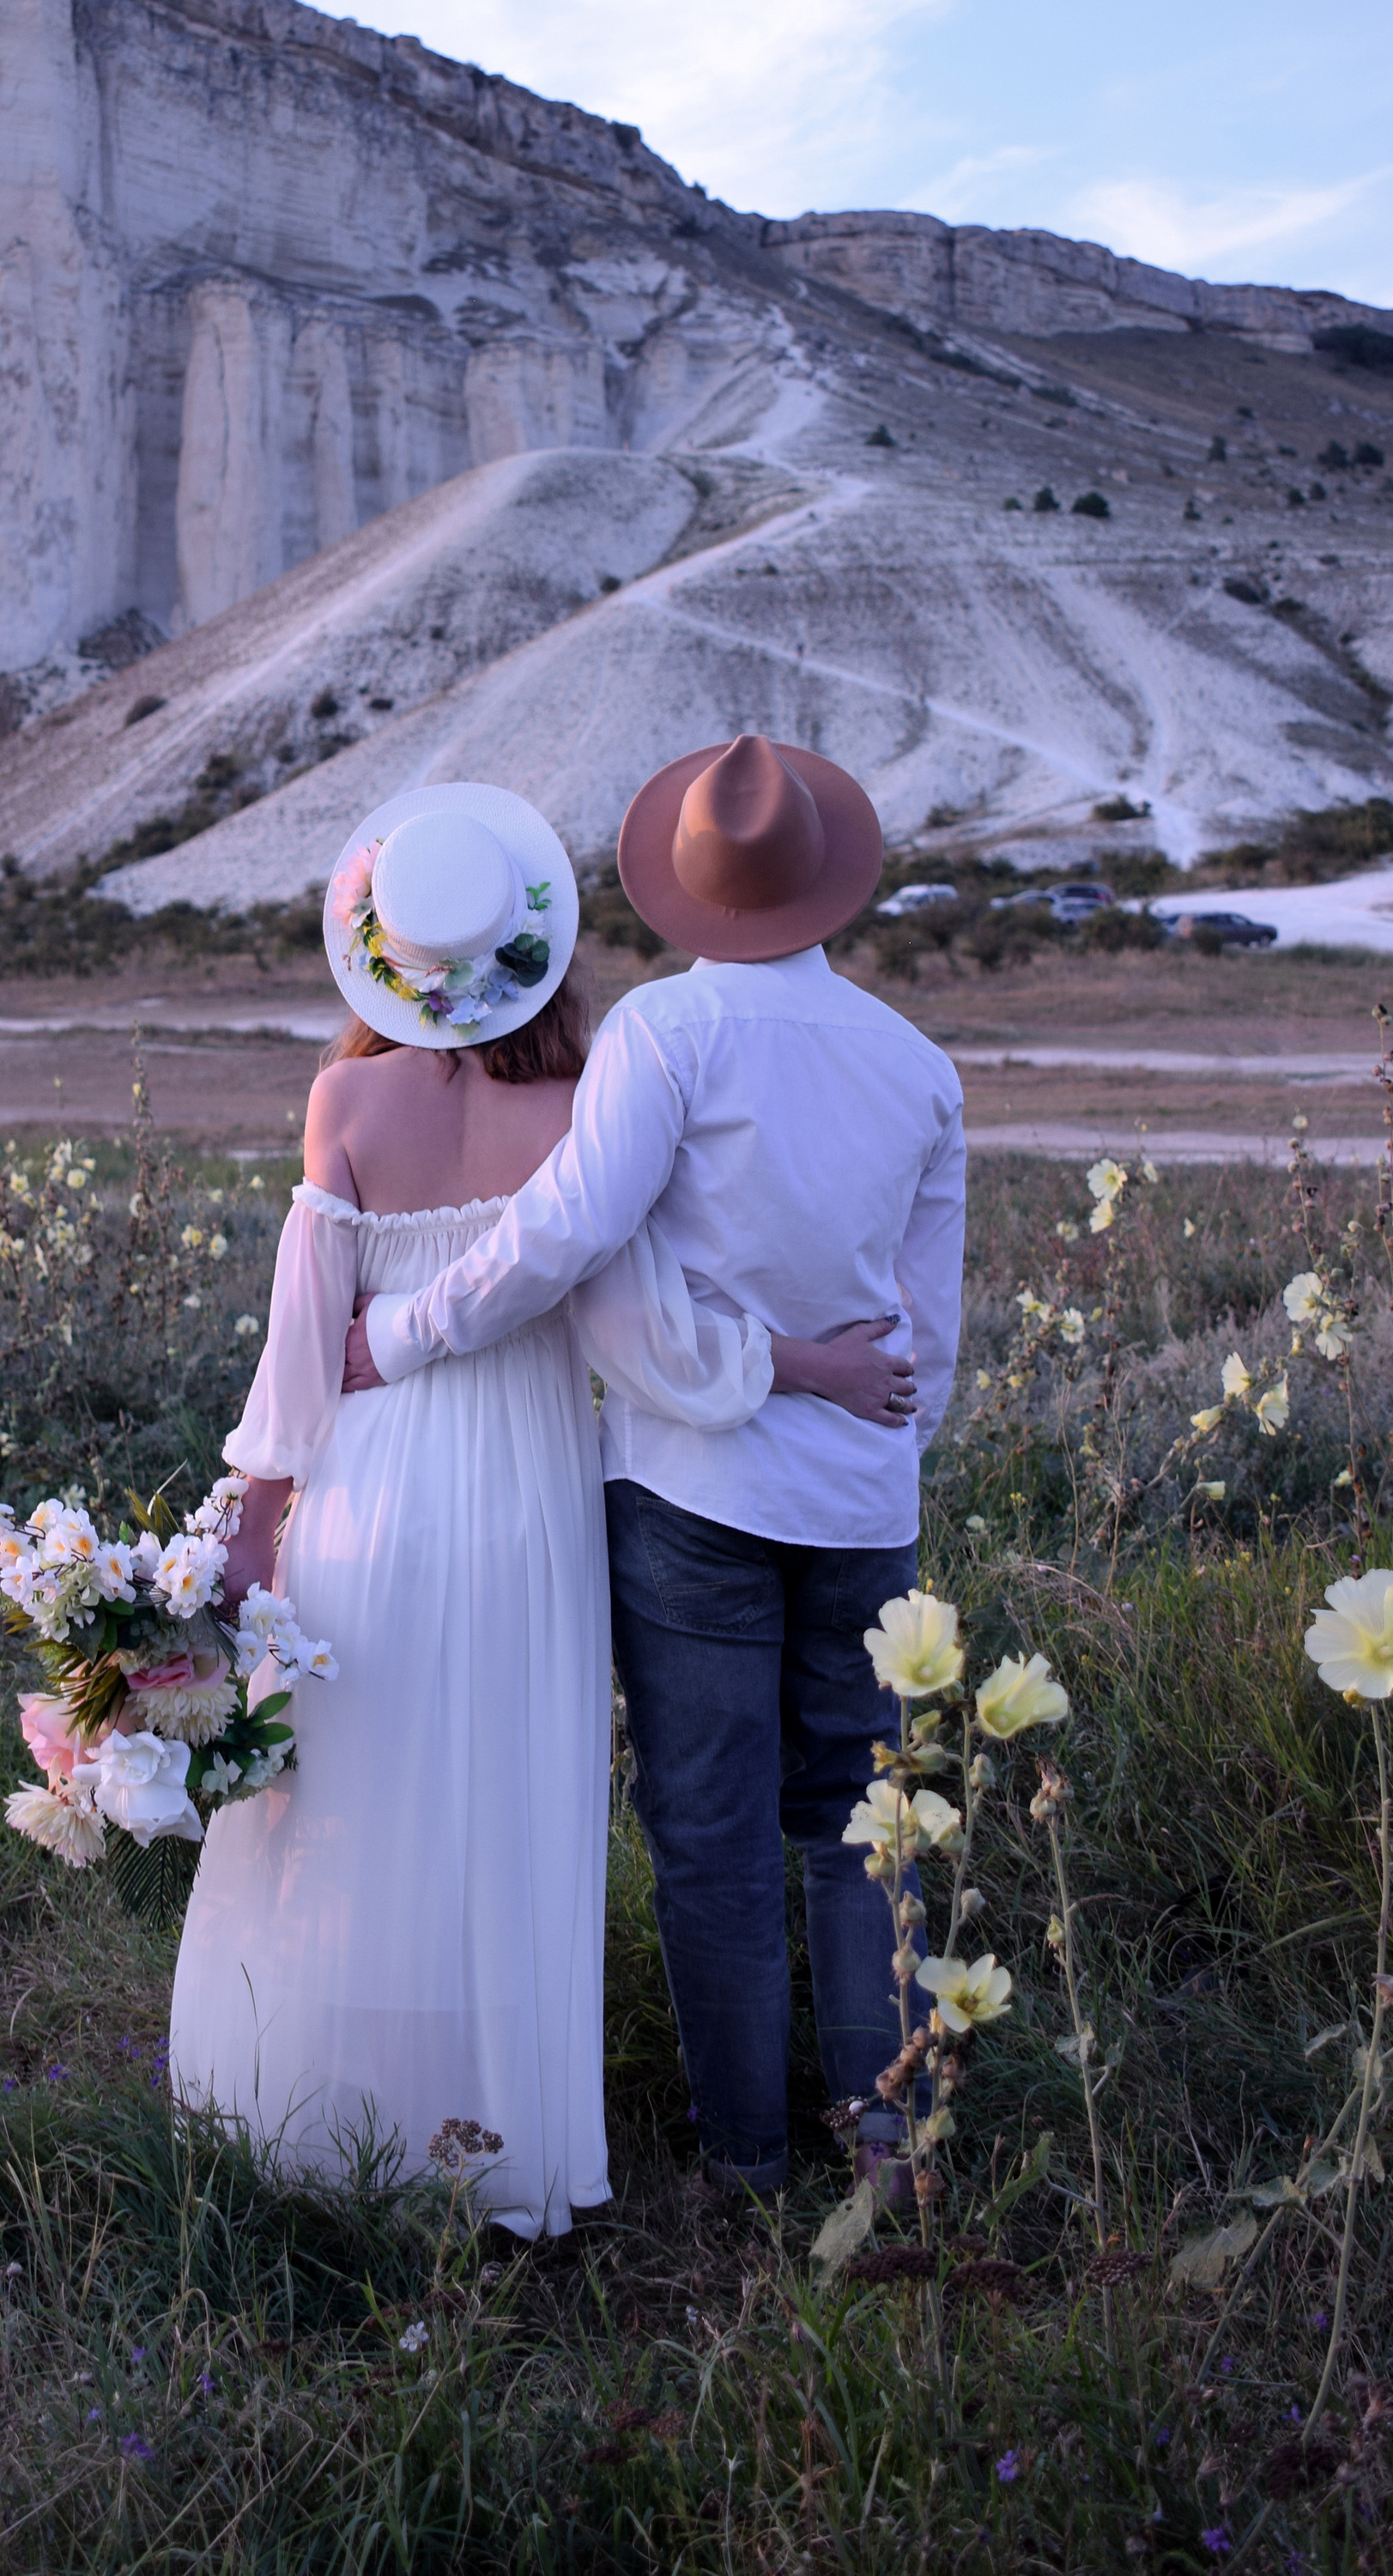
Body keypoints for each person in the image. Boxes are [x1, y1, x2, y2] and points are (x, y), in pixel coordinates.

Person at [167, 781, 905, 2237]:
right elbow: (649, 1342)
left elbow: (299, 1358)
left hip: (370, 1494)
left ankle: (336, 2122)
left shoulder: (344, 1103)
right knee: (507, 1810)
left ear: (387, 958)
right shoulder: (582, 1112)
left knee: (352, 1798)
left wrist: (246, 1539)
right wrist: (810, 1364)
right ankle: (500, 2131)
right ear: (540, 950)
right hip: (530, 1512)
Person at [344, 736, 965, 2200]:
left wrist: (410, 1333)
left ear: (684, 895)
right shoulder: (917, 1066)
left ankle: (748, 2160)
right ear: (828, 888)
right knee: (861, 1820)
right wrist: (863, 1445)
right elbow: (923, 1343)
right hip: (864, 1507)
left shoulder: (664, 1039)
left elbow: (567, 1235)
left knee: (713, 1834)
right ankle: (887, 2132)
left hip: (693, 1491)